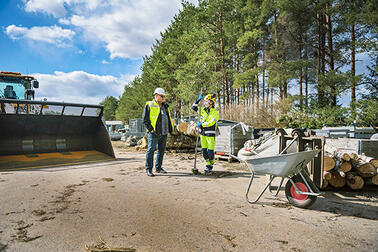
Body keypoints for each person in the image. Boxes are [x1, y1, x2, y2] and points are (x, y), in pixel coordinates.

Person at [142, 87, 174, 177]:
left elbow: (168, 118)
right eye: (162, 96)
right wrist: (151, 129)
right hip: (154, 133)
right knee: (151, 150)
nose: (164, 98)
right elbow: (145, 119)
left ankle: (158, 168)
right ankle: (149, 169)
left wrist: (170, 129)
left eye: (164, 96)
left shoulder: (165, 106)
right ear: (156, 96)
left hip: (164, 132)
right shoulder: (149, 104)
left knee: (161, 151)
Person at [192, 93, 219, 174]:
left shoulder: (215, 112)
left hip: (210, 134)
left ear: (211, 102)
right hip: (203, 133)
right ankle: (208, 165)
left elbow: (211, 122)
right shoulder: (202, 110)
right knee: (204, 151)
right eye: (204, 101)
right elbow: (194, 107)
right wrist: (198, 100)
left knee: (210, 151)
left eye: (206, 101)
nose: (205, 103)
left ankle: (210, 165)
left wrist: (202, 124)